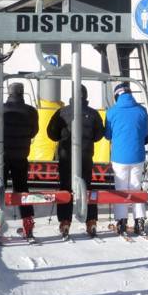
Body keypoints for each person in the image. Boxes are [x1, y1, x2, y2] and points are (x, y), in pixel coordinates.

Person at [0, 83, 40, 238]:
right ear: (22, 93)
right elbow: (34, 132)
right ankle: (28, 221)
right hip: (21, 156)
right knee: (22, 189)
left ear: (8, 93)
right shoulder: (31, 111)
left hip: (1, 157)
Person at [46, 85, 106, 237]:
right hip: (85, 155)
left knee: (65, 187)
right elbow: (99, 135)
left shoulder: (62, 112)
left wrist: (61, 137)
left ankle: (65, 221)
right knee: (87, 187)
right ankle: (91, 221)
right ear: (86, 96)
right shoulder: (93, 113)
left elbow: (51, 133)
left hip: (66, 156)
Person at [104, 82, 148, 236]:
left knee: (121, 189)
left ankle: (122, 221)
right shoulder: (142, 110)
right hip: (138, 155)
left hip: (119, 157)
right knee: (136, 187)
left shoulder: (112, 112)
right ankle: (140, 221)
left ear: (117, 96)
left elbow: (107, 135)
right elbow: (146, 133)